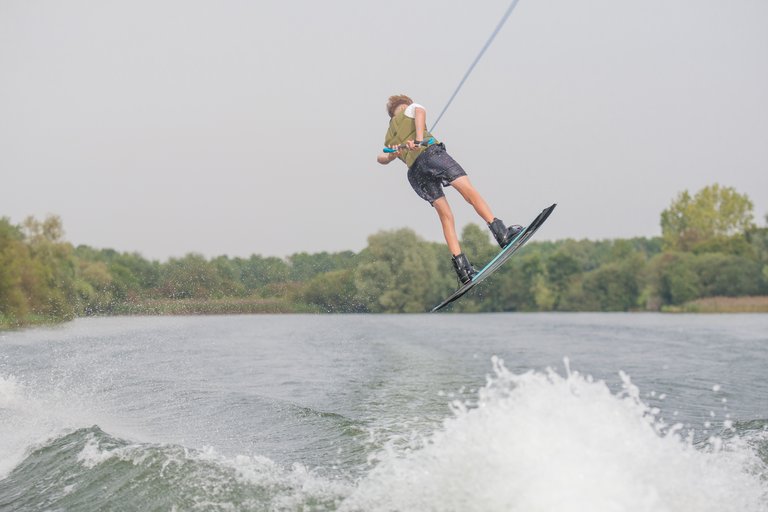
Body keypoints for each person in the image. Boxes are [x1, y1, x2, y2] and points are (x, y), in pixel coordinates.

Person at [377, 94, 522, 285]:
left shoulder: (390, 134)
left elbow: (381, 158)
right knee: (468, 191)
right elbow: (421, 111)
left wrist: (393, 154)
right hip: (431, 155)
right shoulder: (410, 108)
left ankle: (463, 271)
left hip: (415, 173)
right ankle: (502, 233)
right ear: (404, 105)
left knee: (446, 216)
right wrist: (420, 138)